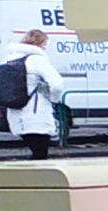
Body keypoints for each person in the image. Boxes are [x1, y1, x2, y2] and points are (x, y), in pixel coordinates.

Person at [7, 29, 65, 160]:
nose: (45, 48)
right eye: (45, 44)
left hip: (16, 110)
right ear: (40, 44)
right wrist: (54, 99)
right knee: (40, 153)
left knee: (35, 150)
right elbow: (57, 84)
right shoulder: (37, 60)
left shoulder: (12, 58)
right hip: (36, 111)